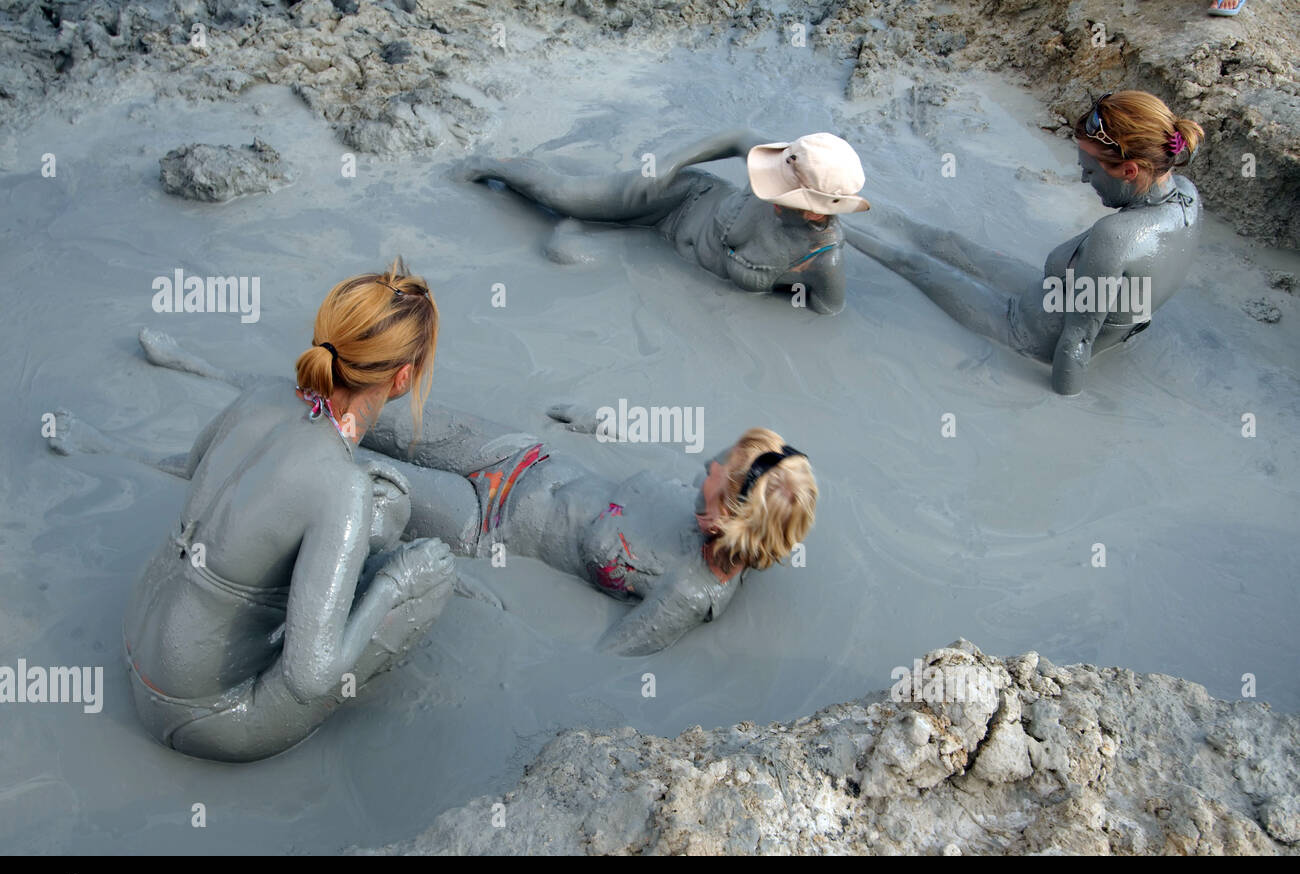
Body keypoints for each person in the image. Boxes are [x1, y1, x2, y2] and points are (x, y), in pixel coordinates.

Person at [113, 331, 819, 657]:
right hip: (513, 453)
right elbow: (649, 464)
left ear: (729, 518)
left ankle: (193, 468)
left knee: (346, 476)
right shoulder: (706, 505)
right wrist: (596, 420)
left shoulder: (688, 593)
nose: (704, 463)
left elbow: (603, 665)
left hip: (486, 523)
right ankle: (213, 373)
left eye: (717, 473)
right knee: (359, 406)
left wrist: (493, 608)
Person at [51, 260, 454, 762]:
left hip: (138, 641)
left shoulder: (262, 394)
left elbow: (197, 468)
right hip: (202, 716)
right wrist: (399, 582)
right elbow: (310, 678)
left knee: (364, 516)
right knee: (430, 576)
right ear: (402, 379)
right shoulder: (340, 486)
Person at [846, 90, 1204, 394]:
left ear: (1130, 171)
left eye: (1091, 169)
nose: (1082, 178)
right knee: (948, 241)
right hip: (1050, 297)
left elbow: (1077, 343)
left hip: (1025, 333)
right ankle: (851, 202)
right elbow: (1130, 306)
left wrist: (1062, 408)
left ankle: (835, 224)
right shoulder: (1187, 196)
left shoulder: (1115, 237)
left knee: (915, 265)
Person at [460, 130, 871, 315]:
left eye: (780, 194)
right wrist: (673, 162)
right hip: (679, 198)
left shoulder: (822, 262)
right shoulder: (788, 164)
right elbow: (736, 137)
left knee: (571, 254)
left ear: (817, 211)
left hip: (660, 258)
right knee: (562, 196)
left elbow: (827, 317)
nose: (768, 192)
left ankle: (577, 223)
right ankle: (487, 166)